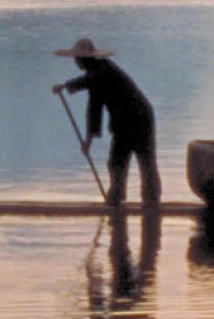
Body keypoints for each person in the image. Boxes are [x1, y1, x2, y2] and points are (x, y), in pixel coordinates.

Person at [53, 37, 161, 207]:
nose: (75, 62)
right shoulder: (94, 75)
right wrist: (88, 141)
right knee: (116, 162)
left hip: (140, 119)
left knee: (146, 162)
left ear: (83, 60)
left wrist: (65, 86)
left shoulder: (104, 70)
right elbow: (94, 110)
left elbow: (90, 81)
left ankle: (151, 204)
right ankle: (116, 200)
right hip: (122, 123)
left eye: (76, 59)